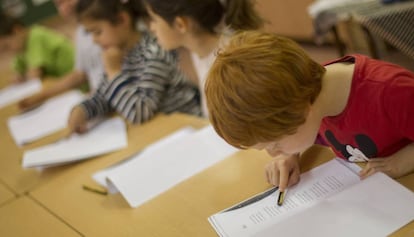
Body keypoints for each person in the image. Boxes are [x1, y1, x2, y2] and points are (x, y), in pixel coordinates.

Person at [205, 31, 414, 194]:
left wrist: (401, 162)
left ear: (302, 111)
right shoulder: (306, 93)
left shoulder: (391, 92)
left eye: (274, 144)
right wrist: (289, 155)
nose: (273, 153)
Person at [68, 0, 200, 133]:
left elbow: (140, 113)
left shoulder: (153, 52)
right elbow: (106, 94)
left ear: (122, 20)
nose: (94, 40)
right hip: (157, 131)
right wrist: (84, 110)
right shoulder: (118, 54)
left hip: (188, 128)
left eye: (97, 32)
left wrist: (114, 73)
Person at [144, 0, 263, 117]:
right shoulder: (198, 52)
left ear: (181, 24)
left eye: (154, 20)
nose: (152, 28)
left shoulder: (229, 60)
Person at [18, 0, 104, 110]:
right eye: (59, 5)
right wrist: (42, 96)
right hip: (97, 100)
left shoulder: (109, 24)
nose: (65, 8)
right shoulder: (80, 31)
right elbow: (80, 73)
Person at [0, 11, 74, 83]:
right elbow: (15, 74)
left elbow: (35, 75)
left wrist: (23, 76)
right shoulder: (20, 49)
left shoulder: (36, 36)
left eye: (7, 46)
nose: (8, 52)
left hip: (78, 85)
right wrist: (18, 76)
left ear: (17, 30)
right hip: (65, 84)